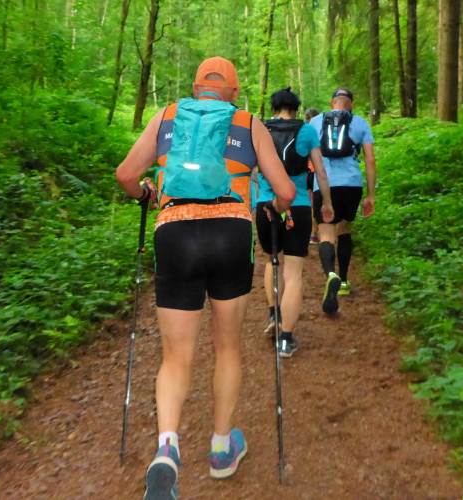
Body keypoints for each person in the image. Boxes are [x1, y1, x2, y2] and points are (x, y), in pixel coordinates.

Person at [115, 57, 295, 500]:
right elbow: (286, 191)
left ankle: (166, 450)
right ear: (234, 92)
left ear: (197, 89)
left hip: (175, 231)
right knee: (227, 345)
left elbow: (126, 175)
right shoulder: (248, 123)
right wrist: (276, 208)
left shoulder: (167, 116)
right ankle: (220, 448)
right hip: (230, 233)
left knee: (176, 355)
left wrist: (147, 194)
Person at [256, 89, 333, 358]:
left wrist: (264, 185)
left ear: (273, 107)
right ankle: (286, 340)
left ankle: (273, 315)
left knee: (271, 261)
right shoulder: (307, 131)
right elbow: (320, 170)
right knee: (293, 272)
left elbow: (253, 171)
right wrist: (326, 202)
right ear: (296, 108)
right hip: (298, 206)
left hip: (266, 205)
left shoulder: (261, 130)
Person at [308, 88, 377, 314]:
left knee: (326, 233)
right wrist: (370, 195)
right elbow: (370, 160)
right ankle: (345, 281)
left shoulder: (316, 122)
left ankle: (331, 275)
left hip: (324, 183)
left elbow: (306, 155)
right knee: (344, 229)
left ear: (331, 103)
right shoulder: (360, 123)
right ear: (351, 105)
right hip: (351, 184)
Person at [304, 107, 321, 244]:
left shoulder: (304, 131)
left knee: (306, 201)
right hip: (318, 171)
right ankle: (314, 233)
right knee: (316, 203)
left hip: (306, 171)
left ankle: (305, 230)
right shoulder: (321, 131)